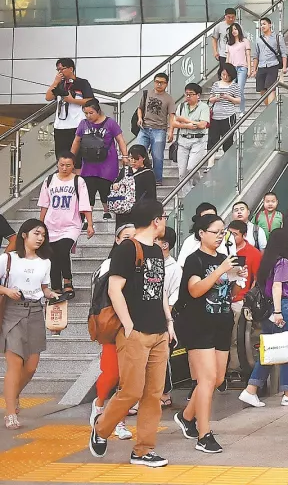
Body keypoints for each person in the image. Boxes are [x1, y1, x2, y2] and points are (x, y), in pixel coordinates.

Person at [89, 199, 174, 468]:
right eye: (163, 217)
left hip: (159, 331)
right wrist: (128, 325)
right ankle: (101, 428)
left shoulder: (157, 251)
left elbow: (159, 290)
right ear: (155, 220)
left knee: (153, 395)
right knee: (131, 391)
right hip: (135, 332)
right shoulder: (127, 249)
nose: (165, 221)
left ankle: (143, 450)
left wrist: (169, 322)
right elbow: (114, 289)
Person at [173, 213, 247, 454]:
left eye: (222, 232)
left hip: (222, 322)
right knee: (206, 379)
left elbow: (226, 292)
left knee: (217, 379)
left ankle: (186, 416)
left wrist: (237, 277)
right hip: (198, 323)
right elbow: (195, 290)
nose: (219, 236)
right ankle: (204, 435)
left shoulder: (224, 258)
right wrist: (220, 271)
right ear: (201, 233)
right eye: (215, 232)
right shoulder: (194, 260)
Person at [0, 219, 61, 429]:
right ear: (24, 234)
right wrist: (7, 291)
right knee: (15, 364)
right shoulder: (8, 258)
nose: (40, 238)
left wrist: (51, 294)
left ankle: (13, 394)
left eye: (43, 235)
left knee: (32, 366)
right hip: (12, 312)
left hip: (35, 311)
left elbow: (44, 287)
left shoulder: (45, 262)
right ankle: (10, 413)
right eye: (36, 233)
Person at [240, 229, 288, 408]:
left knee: (269, 350)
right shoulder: (283, 261)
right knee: (287, 349)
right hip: (279, 307)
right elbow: (277, 287)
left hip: (266, 310)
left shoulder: (267, 261)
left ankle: (251, 389)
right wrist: (278, 312)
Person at [90, 223, 137, 441]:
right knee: (111, 373)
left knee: (127, 377)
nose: (131, 241)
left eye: (135, 237)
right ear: (117, 240)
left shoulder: (143, 262)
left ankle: (119, 421)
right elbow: (100, 300)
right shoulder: (108, 265)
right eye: (126, 237)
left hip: (137, 324)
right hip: (113, 325)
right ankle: (99, 405)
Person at [38, 152, 92, 300]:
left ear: (73, 165)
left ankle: (68, 281)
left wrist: (90, 224)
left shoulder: (78, 181)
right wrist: (40, 224)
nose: (64, 168)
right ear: (57, 164)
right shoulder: (49, 180)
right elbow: (44, 204)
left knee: (63, 250)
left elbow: (85, 204)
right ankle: (56, 286)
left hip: (71, 225)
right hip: (51, 225)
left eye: (68, 165)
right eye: (61, 165)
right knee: (52, 255)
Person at [72, 98, 127, 222]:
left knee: (105, 188)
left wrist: (125, 156)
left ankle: (106, 211)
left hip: (107, 163)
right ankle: (88, 219)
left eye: (91, 113)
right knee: (89, 190)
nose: (88, 116)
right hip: (89, 163)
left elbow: (120, 140)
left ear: (98, 111)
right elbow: (76, 141)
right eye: (86, 113)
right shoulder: (83, 124)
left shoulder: (110, 123)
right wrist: (71, 158)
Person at [227, 219, 262, 372]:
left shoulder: (253, 253)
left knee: (235, 337)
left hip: (240, 299)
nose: (231, 237)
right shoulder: (224, 250)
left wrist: (248, 298)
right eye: (229, 234)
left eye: (235, 234)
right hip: (222, 298)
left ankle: (234, 367)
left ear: (244, 235)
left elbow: (256, 279)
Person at [46, 58, 94, 171]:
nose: (60, 72)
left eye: (62, 69)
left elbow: (90, 101)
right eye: (58, 70)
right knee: (61, 158)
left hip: (77, 125)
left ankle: (77, 181)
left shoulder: (82, 83)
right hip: (60, 126)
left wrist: (73, 100)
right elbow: (48, 97)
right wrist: (55, 82)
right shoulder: (59, 84)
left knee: (77, 159)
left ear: (71, 69)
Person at [169, 83, 210, 198]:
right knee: (182, 172)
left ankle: (198, 185)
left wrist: (185, 120)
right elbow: (174, 122)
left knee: (191, 168)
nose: (188, 97)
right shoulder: (182, 106)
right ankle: (187, 197)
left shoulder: (203, 107)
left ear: (198, 95)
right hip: (183, 141)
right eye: (186, 94)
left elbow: (202, 125)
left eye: (191, 94)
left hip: (198, 141)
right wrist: (188, 125)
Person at [133, 72, 175, 182]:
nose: (159, 84)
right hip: (144, 129)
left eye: (162, 83)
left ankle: (157, 180)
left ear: (166, 84)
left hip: (159, 130)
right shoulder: (147, 93)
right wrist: (140, 118)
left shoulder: (169, 99)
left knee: (157, 157)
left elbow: (172, 116)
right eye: (157, 82)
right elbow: (140, 108)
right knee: (138, 153)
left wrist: (171, 131)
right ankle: (137, 177)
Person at [158, 226, 180, 408]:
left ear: (165, 245)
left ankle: (165, 393)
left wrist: (166, 318)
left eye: (156, 239)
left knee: (163, 356)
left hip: (165, 317)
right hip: (149, 315)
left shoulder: (174, 268)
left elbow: (174, 297)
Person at [252, 17, 288, 106]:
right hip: (261, 66)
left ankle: (271, 109)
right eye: (261, 25)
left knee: (271, 88)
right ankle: (268, 108)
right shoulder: (258, 39)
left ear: (270, 25)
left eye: (264, 24)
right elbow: (256, 55)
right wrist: (254, 69)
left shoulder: (277, 37)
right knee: (262, 90)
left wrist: (284, 67)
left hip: (273, 65)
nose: (262, 26)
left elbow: (284, 53)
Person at [207, 64, 241, 156]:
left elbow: (238, 100)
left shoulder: (234, 86)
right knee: (212, 140)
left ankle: (228, 159)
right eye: (223, 74)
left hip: (228, 115)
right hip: (215, 116)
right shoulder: (215, 84)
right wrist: (215, 98)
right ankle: (210, 161)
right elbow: (210, 99)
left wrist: (228, 97)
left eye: (228, 75)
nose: (225, 77)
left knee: (228, 140)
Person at [223, 23, 251, 111]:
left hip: (242, 68)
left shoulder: (245, 41)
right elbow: (227, 58)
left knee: (240, 89)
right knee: (230, 90)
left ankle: (242, 111)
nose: (234, 31)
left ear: (239, 30)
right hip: (232, 69)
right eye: (232, 30)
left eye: (235, 29)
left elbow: (248, 55)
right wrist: (225, 71)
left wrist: (249, 69)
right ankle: (230, 110)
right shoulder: (229, 44)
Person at [210, 8, 238, 73]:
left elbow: (242, 39)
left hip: (236, 54)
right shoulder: (219, 26)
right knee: (224, 72)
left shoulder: (238, 26)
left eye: (233, 17)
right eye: (229, 17)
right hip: (223, 54)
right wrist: (215, 52)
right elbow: (214, 39)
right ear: (225, 16)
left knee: (234, 73)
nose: (231, 19)